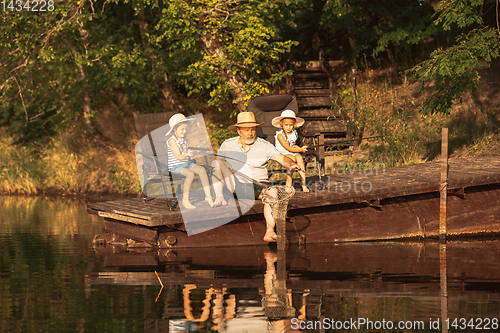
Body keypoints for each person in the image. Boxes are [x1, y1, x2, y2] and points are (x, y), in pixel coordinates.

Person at [211, 112, 301, 242]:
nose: (251, 133)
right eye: (247, 130)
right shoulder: (227, 145)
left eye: (253, 129)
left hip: (258, 186)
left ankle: (269, 231)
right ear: (238, 131)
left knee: (273, 192)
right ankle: (219, 196)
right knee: (217, 163)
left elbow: (282, 159)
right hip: (234, 184)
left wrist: (292, 164)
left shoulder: (264, 145)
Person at [166, 113, 214, 209]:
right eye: (182, 129)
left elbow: (185, 152)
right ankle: (185, 200)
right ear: (175, 129)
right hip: (176, 166)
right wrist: (186, 154)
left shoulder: (184, 139)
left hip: (187, 163)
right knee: (190, 174)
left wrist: (189, 153)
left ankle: (208, 196)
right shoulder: (172, 141)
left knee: (202, 170)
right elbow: (179, 157)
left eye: (186, 129)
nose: (184, 131)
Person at [272, 110, 310, 193]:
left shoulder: (294, 133)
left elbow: (293, 145)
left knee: (299, 157)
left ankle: (303, 183)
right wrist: (300, 150)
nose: (288, 127)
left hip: (291, 151)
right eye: (286, 125)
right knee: (292, 159)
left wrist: (301, 148)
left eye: (291, 125)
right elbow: (288, 147)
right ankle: (288, 184)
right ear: (282, 124)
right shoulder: (280, 135)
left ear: (294, 125)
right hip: (282, 153)